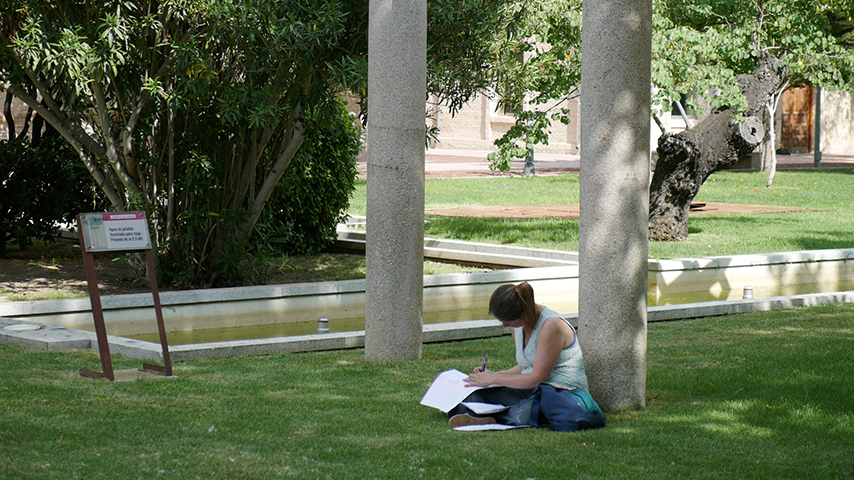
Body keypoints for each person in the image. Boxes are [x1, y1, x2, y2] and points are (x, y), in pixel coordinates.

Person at [448, 282, 595, 429]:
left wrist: (493, 378)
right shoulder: (518, 326)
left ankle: (485, 417)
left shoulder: (551, 326)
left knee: (525, 411)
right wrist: (491, 376)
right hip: (530, 391)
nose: (505, 325)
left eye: (507, 321)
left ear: (523, 314)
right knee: (472, 396)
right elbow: (525, 366)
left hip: (560, 395)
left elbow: (537, 379)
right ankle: (484, 416)